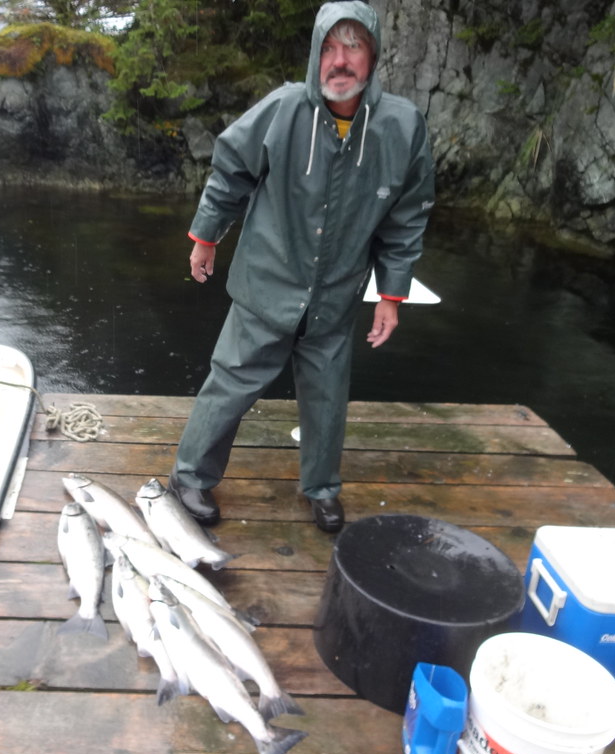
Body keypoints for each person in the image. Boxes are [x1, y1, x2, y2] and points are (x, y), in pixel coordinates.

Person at [168, 1, 435, 534]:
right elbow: (230, 170)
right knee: (230, 384)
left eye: (353, 46)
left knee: (327, 399)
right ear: (316, 54)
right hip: (267, 284)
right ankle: (189, 477)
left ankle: (322, 489)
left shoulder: (403, 127)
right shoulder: (284, 108)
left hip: (335, 298)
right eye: (330, 47)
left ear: (373, 55)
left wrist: (391, 294)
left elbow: (407, 218)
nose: (341, 60)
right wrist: (205, 238)